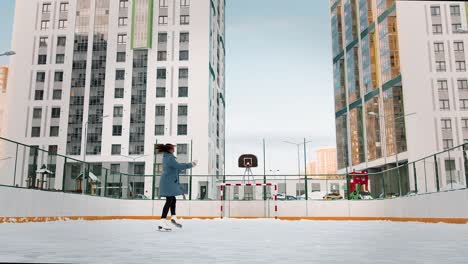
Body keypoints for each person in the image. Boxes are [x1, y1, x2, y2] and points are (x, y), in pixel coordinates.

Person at [156, 144, 197, 231]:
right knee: (169, 200)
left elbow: (176, 168)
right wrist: (191, 164)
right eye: (173, 149)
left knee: (172, 199)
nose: (174, 150)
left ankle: (173, 217)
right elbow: (178, 166)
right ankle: (162, 220)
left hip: (169, 181)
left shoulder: (168, 157)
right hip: (168, 182)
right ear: (169, 150)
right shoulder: (169, 158)